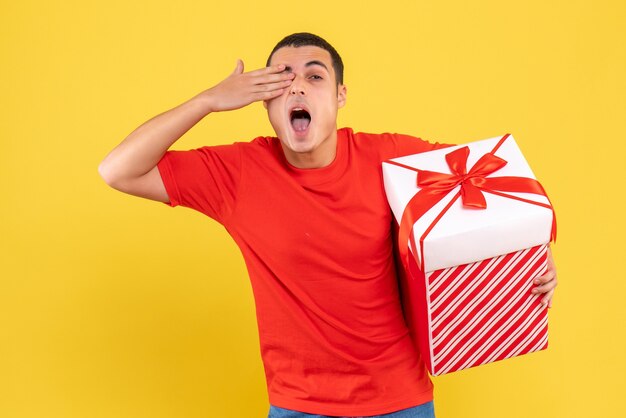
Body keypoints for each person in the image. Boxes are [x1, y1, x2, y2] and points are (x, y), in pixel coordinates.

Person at [98, 33, 558, 418]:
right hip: (299, 406)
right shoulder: (237, 174)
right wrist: (208, 101)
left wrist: (529, 258)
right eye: (281, 81)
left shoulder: (390, 158)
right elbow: (117, 170)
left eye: (315, 77)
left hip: (400, 400)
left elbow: (490, 188)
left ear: (340, 96)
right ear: (263, 101)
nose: (297, 89)